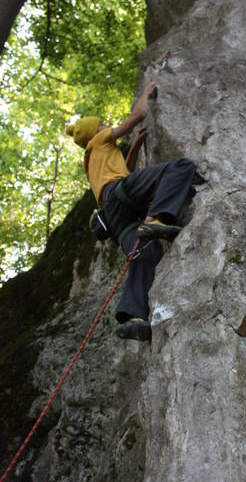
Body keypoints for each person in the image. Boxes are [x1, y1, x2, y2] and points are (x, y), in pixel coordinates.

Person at [66, 81, 196, 341]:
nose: (105, 126)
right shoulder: (101, 139)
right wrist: (146, 95)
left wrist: (136, 145)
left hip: (114, 217)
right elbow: (136, 117)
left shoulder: (91, 160)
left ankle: (133, 316)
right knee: (180, 167)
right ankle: (157, 218)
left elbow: (123, 169)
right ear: (95, 132)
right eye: (101, 124)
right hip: (120, 195)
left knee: (144, 254)